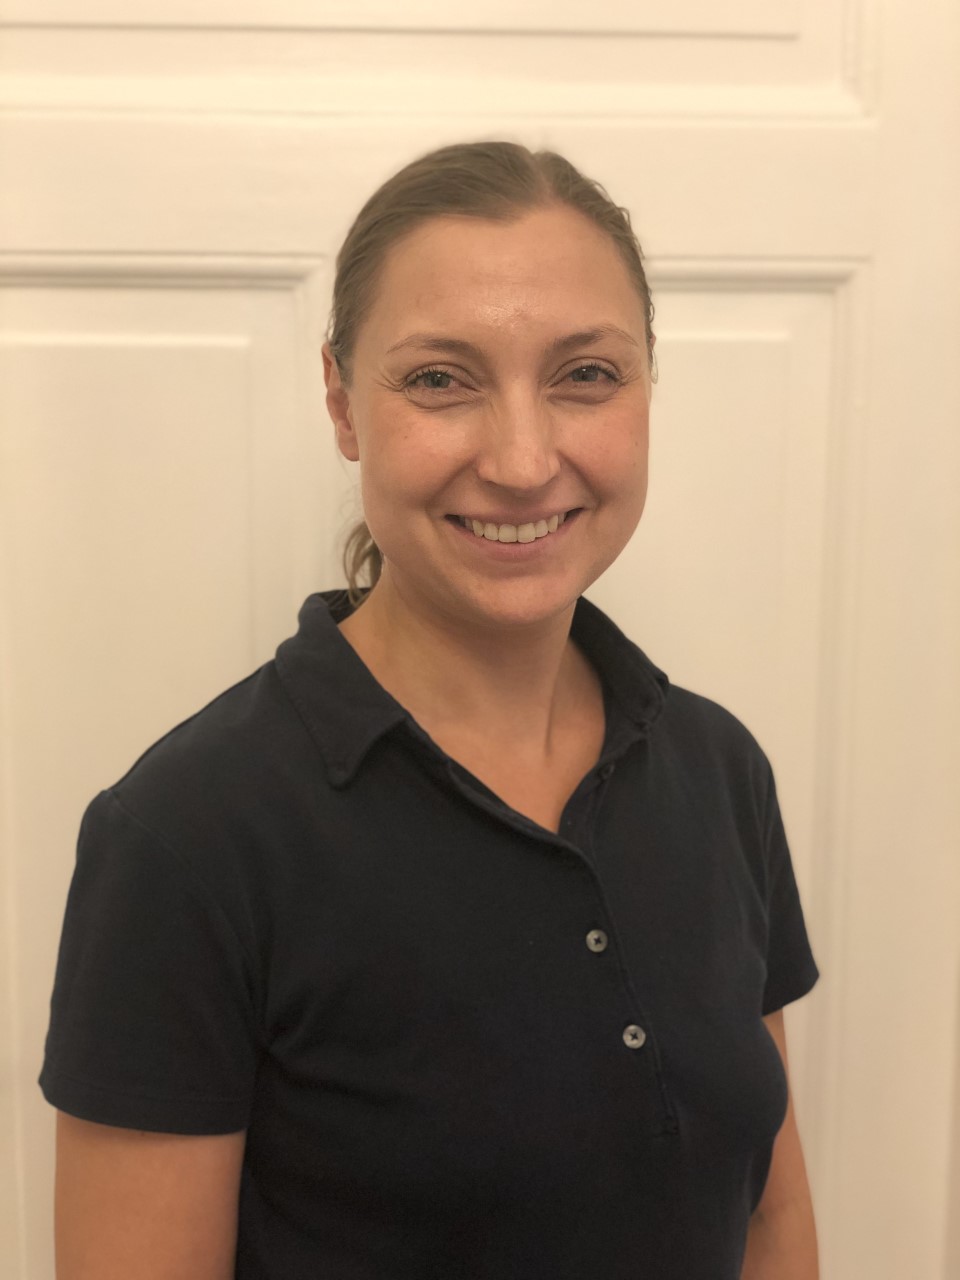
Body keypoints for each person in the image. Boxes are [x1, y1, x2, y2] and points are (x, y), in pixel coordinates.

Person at [40, 141, 820, 1279]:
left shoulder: (719, 768)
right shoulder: (187, 836)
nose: (522, 459)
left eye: (585, 374)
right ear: (341, 402)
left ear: (648, 382)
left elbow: (770, 1217)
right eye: (442, 380)